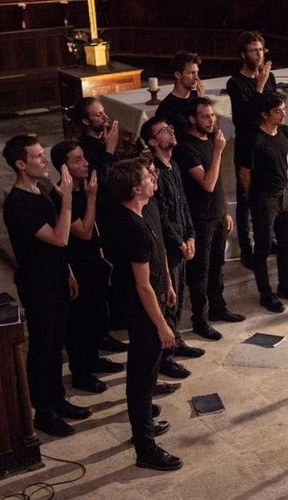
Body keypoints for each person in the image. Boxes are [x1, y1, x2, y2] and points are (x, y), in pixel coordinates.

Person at [2, 135, 91, 437]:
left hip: (55, 277)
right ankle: (43, 412)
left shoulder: (38, 188)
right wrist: (67, 198)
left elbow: (56, 249)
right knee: (42, 346)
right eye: (37, 157)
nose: (43, 161)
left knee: (56, 344)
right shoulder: (17, 203)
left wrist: (67, 270)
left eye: (42, 155)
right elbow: (59, 238)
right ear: (20, 164)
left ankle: (57, 399)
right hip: (37, 284)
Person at [107, 157, 181, 471]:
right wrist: (163, 325)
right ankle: (145, 448)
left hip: (149, 305)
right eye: (148, 177)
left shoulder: (139, 213)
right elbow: (142, 286)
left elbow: (155, 264)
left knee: (146, 377)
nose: (154, 178)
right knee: (141, 379)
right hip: (142, 313)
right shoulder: (132, 226)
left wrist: (168, 285)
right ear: (137, 189)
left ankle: (144, 427)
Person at [48, 141, 121, 395]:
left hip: (93, 263)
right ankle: (81, 373)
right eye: (77, 160)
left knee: (94, 316)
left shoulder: (83, 188)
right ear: (64, 167)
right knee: (78, 323)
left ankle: (93, 358)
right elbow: (85, 231)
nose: (85, 163)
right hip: (76, 266)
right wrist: (91, 198)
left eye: (83, 158)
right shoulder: (60, 195)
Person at [176, 97, 245, 340]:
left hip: (216, 215)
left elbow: (218, 186)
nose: (212, 120)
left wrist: (225, 210)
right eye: (206, 116)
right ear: (193, 119)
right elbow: (207, 183)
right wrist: (218, 152)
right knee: (201, 271)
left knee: (218, 267)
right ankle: (200, 320)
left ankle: (218, 308)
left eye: (213, 116)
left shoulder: (210, 142)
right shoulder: (186, 148)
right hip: (200, 219)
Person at [141, 116, 204, 381]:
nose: (171, 131)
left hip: (181, 240)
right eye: (164, 131)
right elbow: (161, 215)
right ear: (154, 141)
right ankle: (165, 357)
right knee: (169, 300)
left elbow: (184, 205)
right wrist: (179, 240)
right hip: (168, 246)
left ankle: (176, 340)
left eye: (171, 128)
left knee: (178, 296)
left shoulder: (174, 166)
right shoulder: (152, 172)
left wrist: (191, 234)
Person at [241, 91, 288, 312]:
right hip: (263, 197)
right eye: (277, 111)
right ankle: (265, 292)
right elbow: (244, 173)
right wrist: (254, 197)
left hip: (283, 194)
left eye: (283, 110)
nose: (283, 114)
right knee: (263, 247)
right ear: (264, 114)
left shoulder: (285, 132)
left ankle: (285, 285)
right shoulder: (254, 139)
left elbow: (282, 159)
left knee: (287, 243)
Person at [73, 96, 129, 353]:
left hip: (117, 215)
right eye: (97, 115)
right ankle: (104, 330)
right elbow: (100, 184)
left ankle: (116, 319)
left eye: (103, 112)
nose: (104, 118)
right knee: (108, 273)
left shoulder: (104, 141)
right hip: (101, 218)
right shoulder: (85, 149)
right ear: (85, 120)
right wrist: (109, 151)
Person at [227, 31, 278, 269]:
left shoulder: (269, 77)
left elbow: (273, 109)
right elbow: (246, 117)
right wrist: (258, 87)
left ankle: (269, 240)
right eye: (253, 50)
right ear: (242, 54)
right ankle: (247, 249)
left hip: (267, 145)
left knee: (269, 195)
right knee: (246, 198)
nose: (258, 54)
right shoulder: (235, 83)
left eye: (261, 50)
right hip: (247, 146)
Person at [156, 50, 205, 139]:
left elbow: (210, 129)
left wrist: (202, 102)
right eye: (191, 73)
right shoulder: (166, 107)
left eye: (197, 72)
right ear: (178, 75)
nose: (196, 77)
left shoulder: (197, 96)